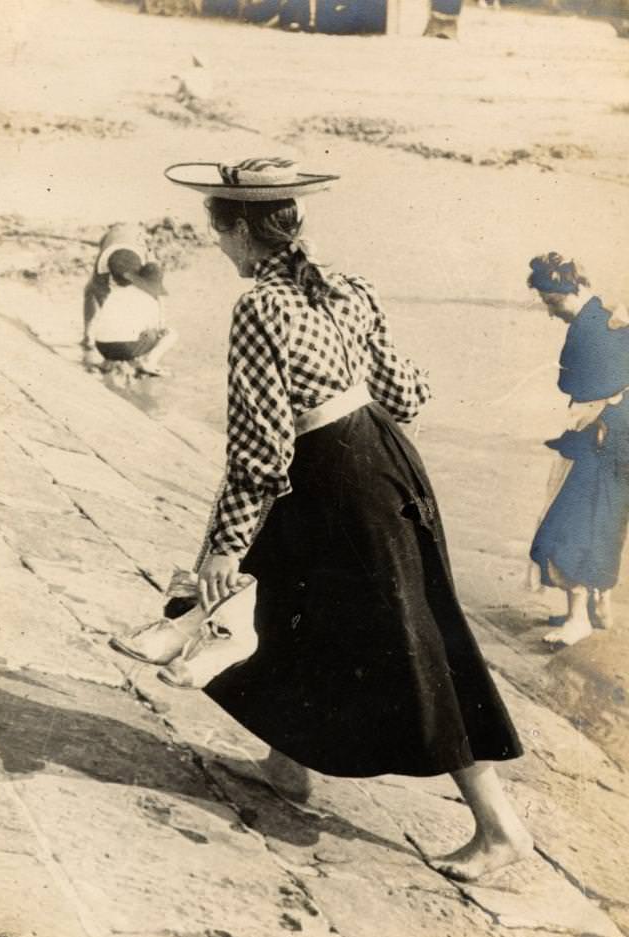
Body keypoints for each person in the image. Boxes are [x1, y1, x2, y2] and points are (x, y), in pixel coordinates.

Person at [146, 156, 531, 882]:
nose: (219, 247)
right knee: (293, 602)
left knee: (406, 642)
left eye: (219, 234)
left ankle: (501, 827)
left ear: (238, 231)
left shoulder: (259, 307)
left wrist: (225, 543)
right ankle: (286, 764)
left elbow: (260, 442)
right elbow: (405, 392)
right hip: (384, 459)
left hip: (335, 480)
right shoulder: (349, 285)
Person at [526, 253, 629, 648]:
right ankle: (599, 609)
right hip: (614, 435)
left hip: (603, 436)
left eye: (554, 303)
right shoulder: (607, 316)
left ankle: (578, 619)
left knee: (572, 524)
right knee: (604, 520)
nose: (553, 313)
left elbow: (583, 387)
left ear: (575, 289)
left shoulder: (596, 327)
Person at [85, 245, 176, 377]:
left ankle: (110, 362)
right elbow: (152, 329)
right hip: (124, 347)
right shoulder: (149, 300)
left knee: (128, 329)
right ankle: (149, 361)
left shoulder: (117, 292)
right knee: (168, 334)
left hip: (102, 346)